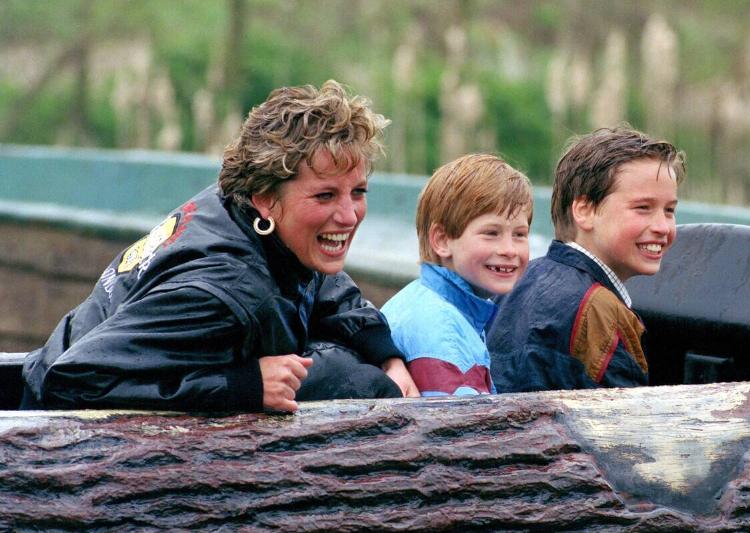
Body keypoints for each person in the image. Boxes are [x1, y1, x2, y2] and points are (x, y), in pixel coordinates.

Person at [20, 80, 419, 412]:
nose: (349, 216)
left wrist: (387, 354)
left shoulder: (242, 212)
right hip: (56, 449)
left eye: (359, 192)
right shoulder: (226, 291)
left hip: (73, 364)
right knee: (357, 385)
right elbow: (71, 380)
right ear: (265, 197)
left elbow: (320, 282)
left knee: (355, 370)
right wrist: (243, 386)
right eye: (325, 196)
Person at [489, 125, 686, 393]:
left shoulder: (520, 279)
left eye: (669, 210)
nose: (663, 227)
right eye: (643, 208)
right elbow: (627, 426)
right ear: (584, 211)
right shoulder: (601, 311)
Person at [381, 154, 532, 396]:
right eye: (491, 233)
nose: (509, 250)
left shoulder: (428, 301)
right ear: (442, 240)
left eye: (520, 234)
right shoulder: (443, 333)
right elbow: (459, 429)